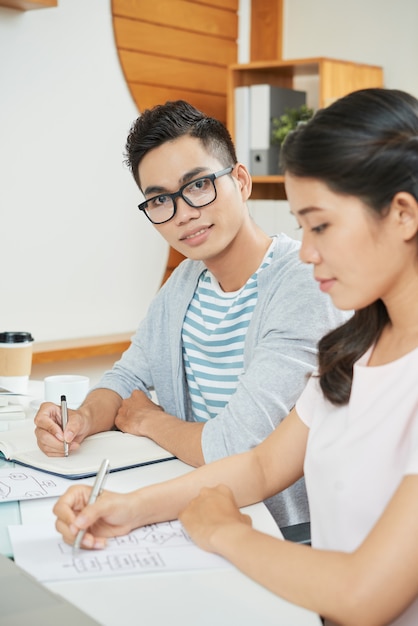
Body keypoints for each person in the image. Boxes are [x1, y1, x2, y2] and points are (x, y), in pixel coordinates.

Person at [53, 88, 418, 626]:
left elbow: (364, 597)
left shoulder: (310, 296)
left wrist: (224, 531)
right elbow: (263, 463)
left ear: (403, 215)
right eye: (302, 226)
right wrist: (127, 508)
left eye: (320, 225)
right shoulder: (356, 348)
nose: (308, 250)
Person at [35, 100, 347, 528]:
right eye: (160, 199)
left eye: (198, 185)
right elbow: (124, 381)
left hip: (281, 527)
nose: (183, 213)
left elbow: (237, 445)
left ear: (241, 179)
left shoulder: (303, 283)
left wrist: (149, 420)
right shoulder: (184, 282)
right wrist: (82, 420)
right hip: (193, 506)